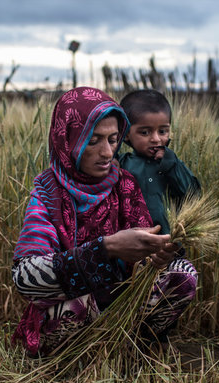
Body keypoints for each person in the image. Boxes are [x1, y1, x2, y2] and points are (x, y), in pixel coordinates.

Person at [11, 87, 198, 356]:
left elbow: (143, 258)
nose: (107, 152)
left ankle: (132, 347)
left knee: (182, 273)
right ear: (69, 139)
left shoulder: (125, 184)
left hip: (122, 308)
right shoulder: (47, 192)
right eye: (93, 140)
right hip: (76, 312)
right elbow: (24, 278)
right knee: (71, 309)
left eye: (112, 140)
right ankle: (75, 358)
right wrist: (106, 248)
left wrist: (154, 257)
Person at [118, 89, 200, 235]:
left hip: (169, 245)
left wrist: (171, 165)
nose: (156, 139)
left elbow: (193, 196)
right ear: (125, 134)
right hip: (132, 246)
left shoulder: (173, 164)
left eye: (163, 131)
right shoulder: (122, 164)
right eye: (145, 132)